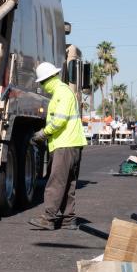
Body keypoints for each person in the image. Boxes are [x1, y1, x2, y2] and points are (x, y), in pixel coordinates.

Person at [29, 62, 86, 230]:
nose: (42, 86)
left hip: (65, 144)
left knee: (56, 182)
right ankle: (69, 219)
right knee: (68, 183)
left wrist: (43, 133)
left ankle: (48, 218)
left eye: (42, 82)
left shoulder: (61, 92)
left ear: (47, 79)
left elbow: (59, 120)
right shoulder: (63, 92)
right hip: (71, 143)